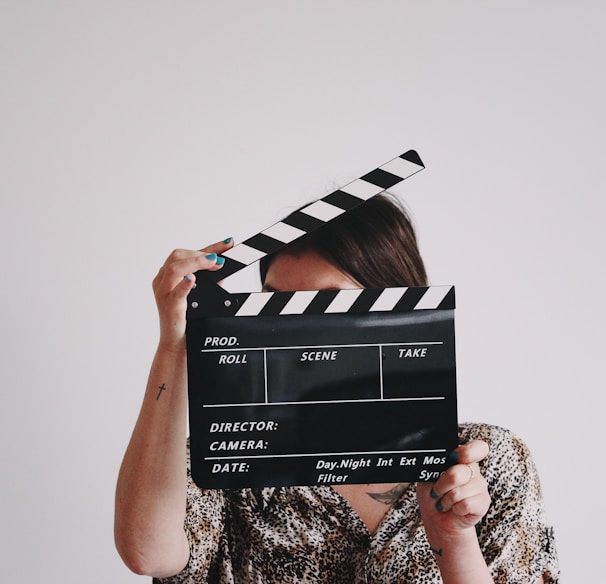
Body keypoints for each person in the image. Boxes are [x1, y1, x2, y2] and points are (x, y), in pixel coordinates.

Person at [115, 194, 559, 583]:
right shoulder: (232, 455)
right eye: (275, 305)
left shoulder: (485, 463)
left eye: (327, 303)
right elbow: (147, 552)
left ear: (397, 308)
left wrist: (454, 539)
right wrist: (176, 344)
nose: (295, 334)